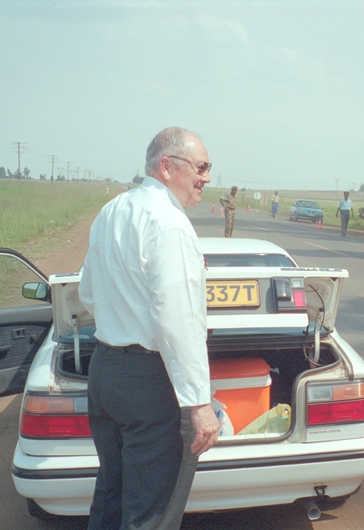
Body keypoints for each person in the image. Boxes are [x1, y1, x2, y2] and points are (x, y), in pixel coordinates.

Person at [78, 126, 220, 530]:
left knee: (111, 494)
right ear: (166, 166)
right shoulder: (171, 225)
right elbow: (179, 323)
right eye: (201, 167)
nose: (207, 178)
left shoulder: (113, 211)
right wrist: (199, 403)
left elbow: (89, 294)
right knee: (150, 513)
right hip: (148, 382)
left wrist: (123, 315)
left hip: (105, 373)